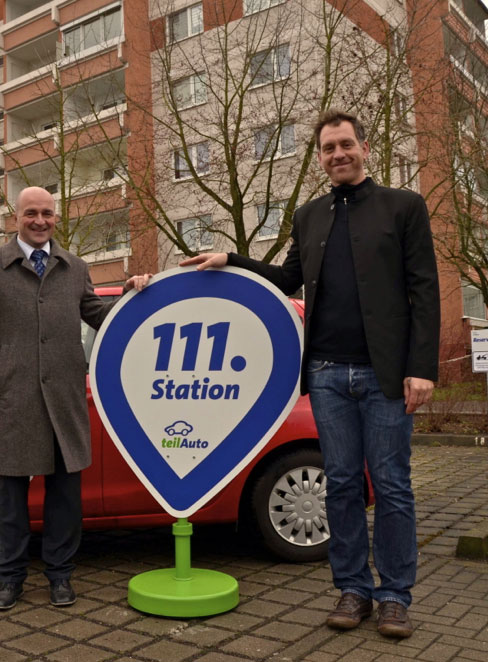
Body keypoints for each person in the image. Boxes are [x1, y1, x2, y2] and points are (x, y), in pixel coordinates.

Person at [181, 110, 440, 638]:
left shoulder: (404, 207)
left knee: (392, 486)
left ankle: (395, 596)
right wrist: (232, 259)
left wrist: (421, 368)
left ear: (364, 148)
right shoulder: (309, 215)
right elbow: (288, 278)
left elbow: (425, 290)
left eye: (346, 144)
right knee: (340, 485)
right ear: (319, 157)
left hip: (387, 375)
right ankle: (353, 589)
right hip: (325, 373)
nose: (338, 154)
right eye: (328, 148)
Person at [0, 186, 151, 611]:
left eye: (47, 213)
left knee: (65, 499)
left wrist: (133, 296)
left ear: (55, 217)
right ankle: (10, 579)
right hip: (16, 399)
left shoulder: (75, 267)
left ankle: (60, 576)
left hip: (64, 399)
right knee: (12, 501)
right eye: (31, 213)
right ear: (16, 217)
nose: (40, 221)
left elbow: (99, 316)